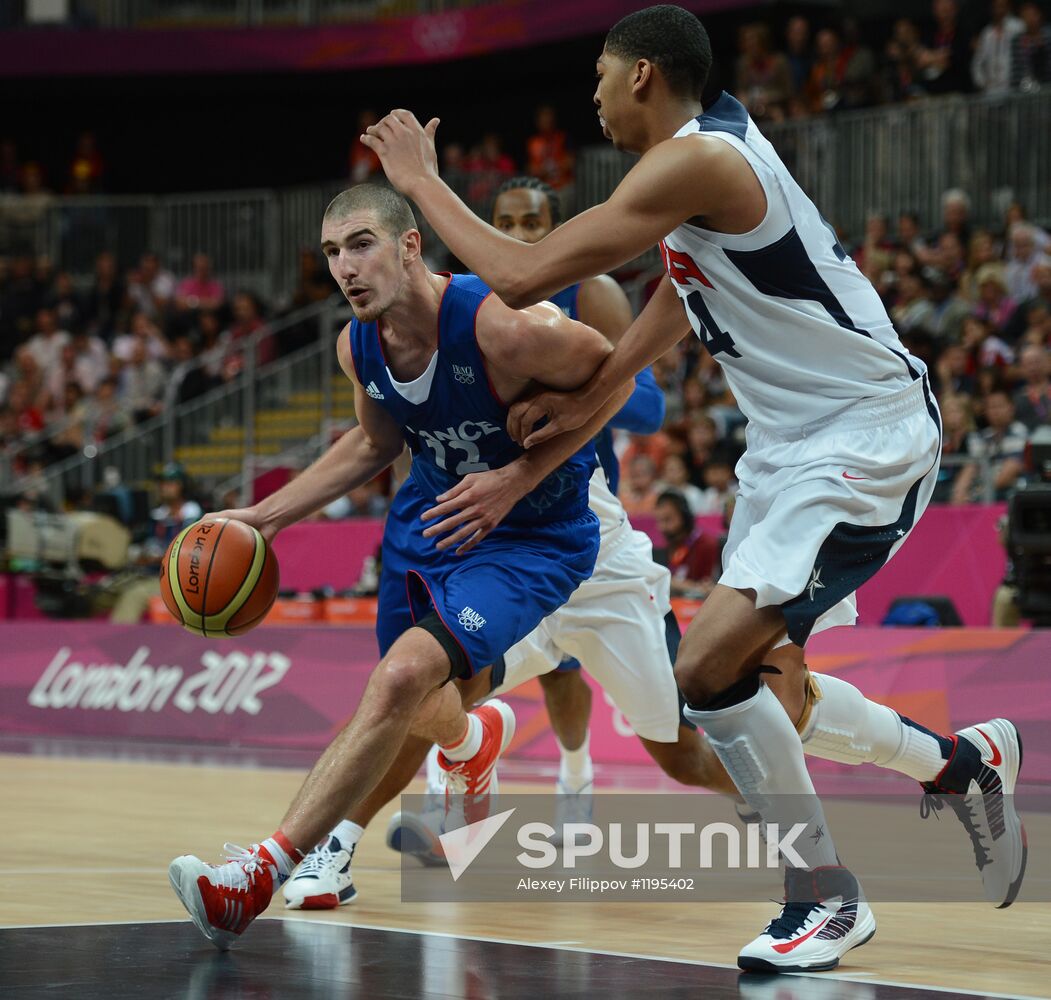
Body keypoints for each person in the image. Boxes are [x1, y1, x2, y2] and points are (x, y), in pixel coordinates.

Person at [363, 4, 1026, 972]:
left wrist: (417, 181)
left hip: (858, 435)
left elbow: (522, 273)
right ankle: (965, 763)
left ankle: (823, 896)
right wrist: (593, 393)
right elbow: (680, 294)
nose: (589, 93)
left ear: (640, 76)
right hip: (786, 449)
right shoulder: (702, 166)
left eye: (598, 73)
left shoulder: (695, 159)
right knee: (779, 701)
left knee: (705, 674)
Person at [167, 183, 630, 950]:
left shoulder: (506, 327)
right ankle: (469, 741)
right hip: (429, 525)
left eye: (360, 244)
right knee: (412, 703)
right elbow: (375, 442)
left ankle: (259, 871)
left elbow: (619, 373)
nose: (343, 267)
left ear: (409, 245)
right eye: (330, 253)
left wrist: (521, 471)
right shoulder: (359, 343)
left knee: (397, 679)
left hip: (531, 536)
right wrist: (263, 517)